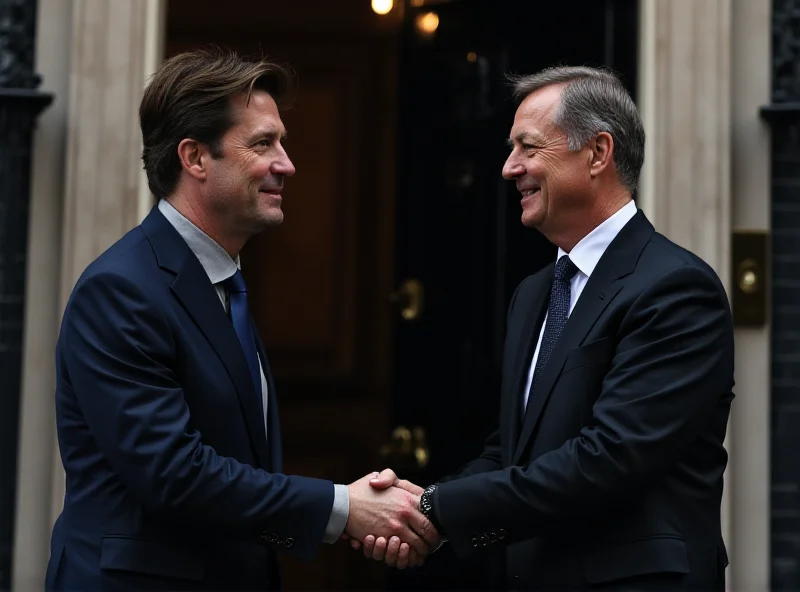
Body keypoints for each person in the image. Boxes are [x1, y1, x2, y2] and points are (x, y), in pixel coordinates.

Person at [45, 48, 437, 591]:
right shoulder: (122, 290)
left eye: (281, 141)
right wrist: (343, 508)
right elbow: (174, 474)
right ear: (195, 158)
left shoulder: (220, 282)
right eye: (262, 143)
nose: (287, 162)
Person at [359, 66, 734, 591]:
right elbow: (512, 450)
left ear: (598, 153)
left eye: (528, 148)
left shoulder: (675, 288)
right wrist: (420, 511)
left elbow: (607, 460)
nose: (510, 168)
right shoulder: (535, 293)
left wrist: (435, 509)